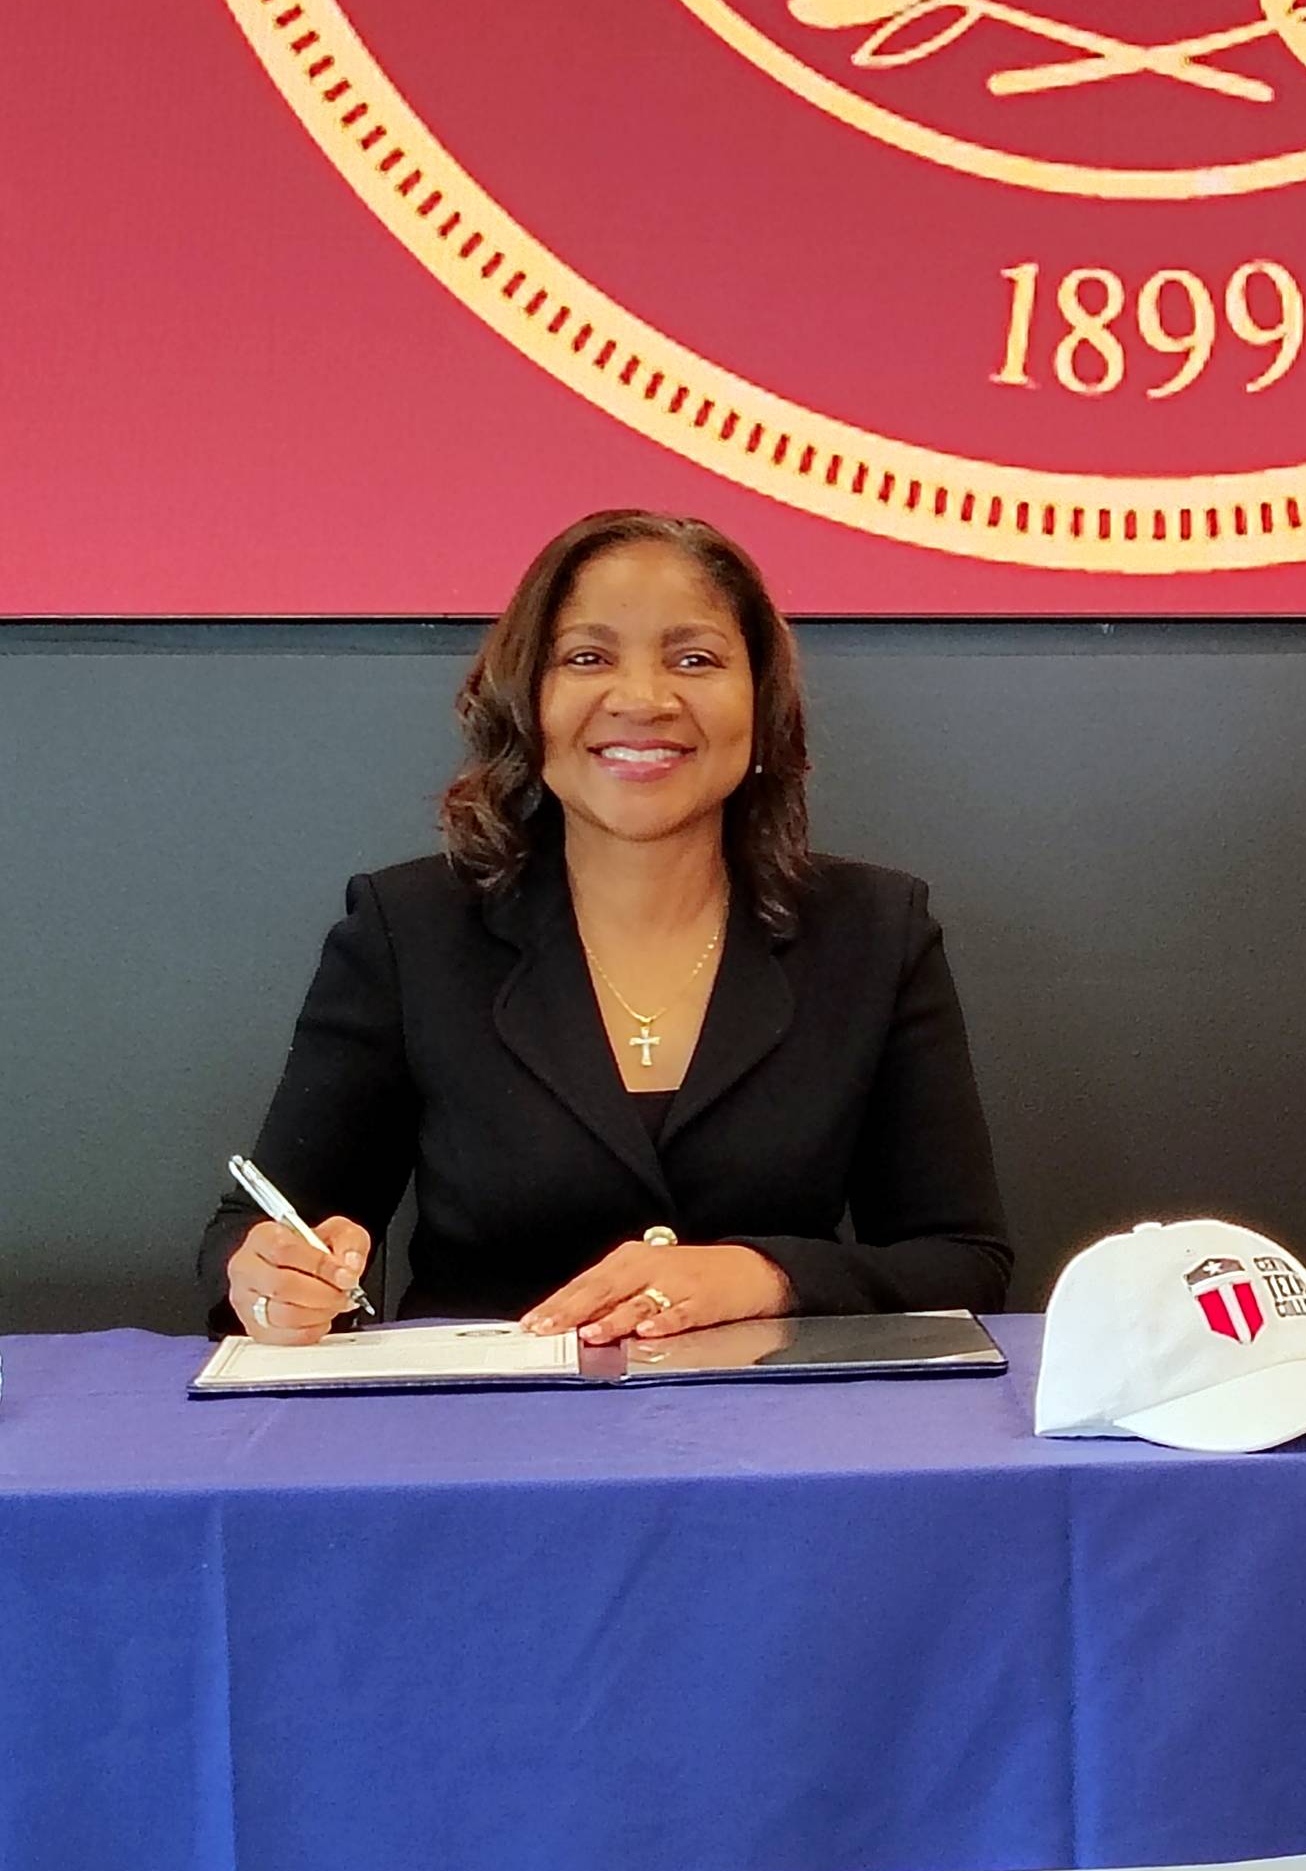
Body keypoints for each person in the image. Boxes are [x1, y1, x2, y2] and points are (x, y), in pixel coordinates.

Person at [200, 510, 1013, 1342]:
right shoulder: (407, 930)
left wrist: (764, 1276)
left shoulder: (874, 930)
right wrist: (272, 1283)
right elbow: (257, 1233)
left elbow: (962, 1262)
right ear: (528, 700)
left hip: (772, 1415)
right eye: (587, 658)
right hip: (482, 1416)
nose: (643, 700)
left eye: (694, 660)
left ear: (761, 703)